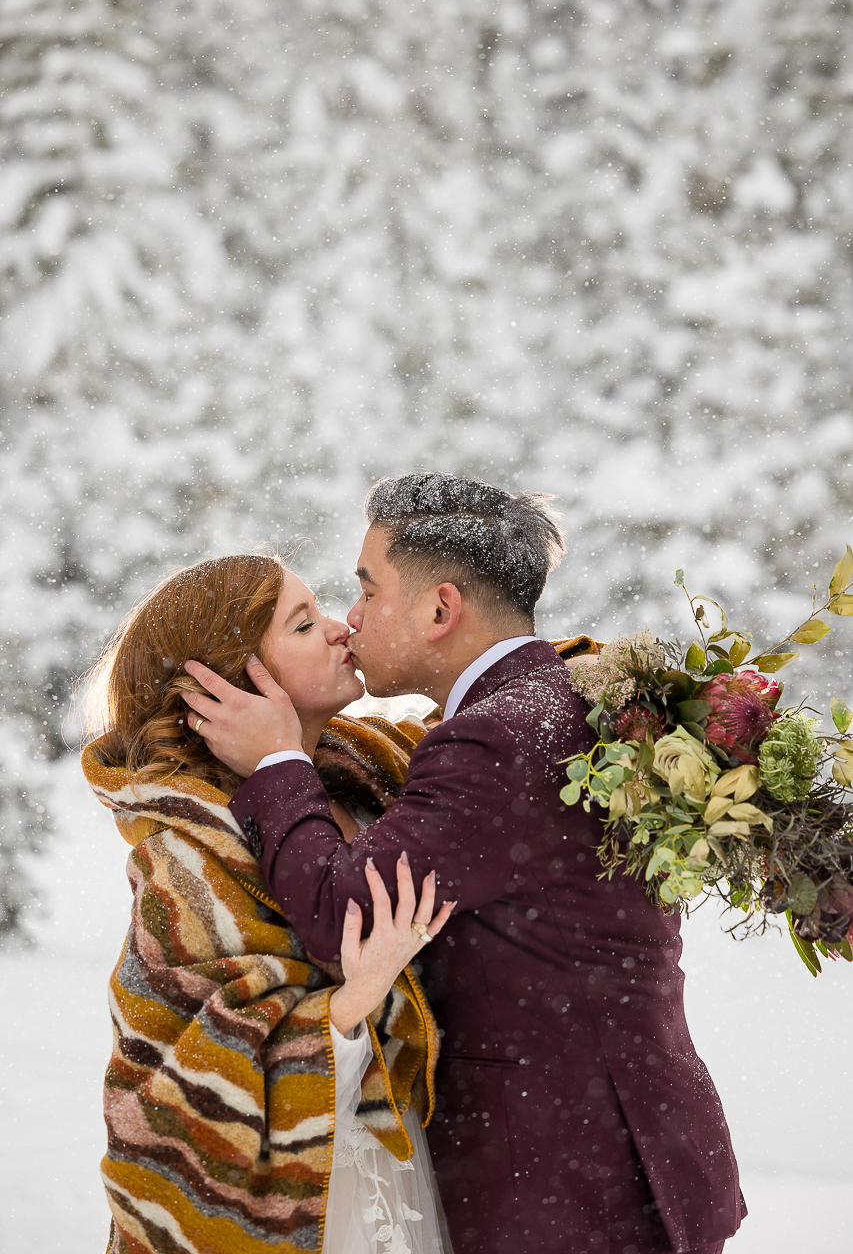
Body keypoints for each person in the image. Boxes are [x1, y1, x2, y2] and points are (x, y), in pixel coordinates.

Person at [183, 473, 746, 1254]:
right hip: (626, 1154)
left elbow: (344, 913)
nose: (352, 618)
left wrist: (278, 764)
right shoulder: (562, 699)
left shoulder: (498, 738)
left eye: (367, 591)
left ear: (440, 608)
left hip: (568, 1185)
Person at [82, 553, 455, 1254]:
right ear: (230, 681)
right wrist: (357, 996)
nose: (343, 627)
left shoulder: (369, 773)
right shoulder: (188, 858)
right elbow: (183, 1094)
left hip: (405, 1169)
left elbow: (487, 735)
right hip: (306, 1204)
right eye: (303, 623)